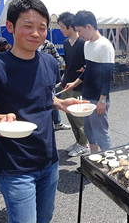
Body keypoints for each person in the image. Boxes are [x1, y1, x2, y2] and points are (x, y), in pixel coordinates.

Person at [0, 0, 80, 223]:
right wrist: (1, 118)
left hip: (49, 161)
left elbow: (42, 99)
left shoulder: (49, 63)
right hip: (14, 166)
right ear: (10, 27)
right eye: (28, 26)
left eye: (42, 28)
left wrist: (61, 104)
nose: (36, 33)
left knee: (45, 218)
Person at [64, 10, 114, 155]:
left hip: (98, 98)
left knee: (101, 133)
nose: (79, 35)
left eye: (80, 31)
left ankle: (111, 167)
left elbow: (107, 76)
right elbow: (89, 70)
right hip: (86, 96)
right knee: (89, 131)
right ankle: (94, 161)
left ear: (89, 26)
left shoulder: (105, 46)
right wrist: (75, 83)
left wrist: (102, 100)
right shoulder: (87, 45)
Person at [57, 12, 88, 157]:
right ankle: (78, 141)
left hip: (79, 85)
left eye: (63, 27)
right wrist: (63, 78)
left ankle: (84, 144)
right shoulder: (66, 43)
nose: (61, 30)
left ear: (71, 26)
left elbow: (90, 65)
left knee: (79, 117)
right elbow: (68, 63)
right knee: (70, 115)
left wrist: (85, 67)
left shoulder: (83, 43)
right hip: (67, 84)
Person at [39, 39, 71, 131]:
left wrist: (49, 67)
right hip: (36, 79)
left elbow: (57, 58)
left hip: (48, 78)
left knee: (52, 99)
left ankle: (58, 123)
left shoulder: (48, 44)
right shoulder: (29, 47)